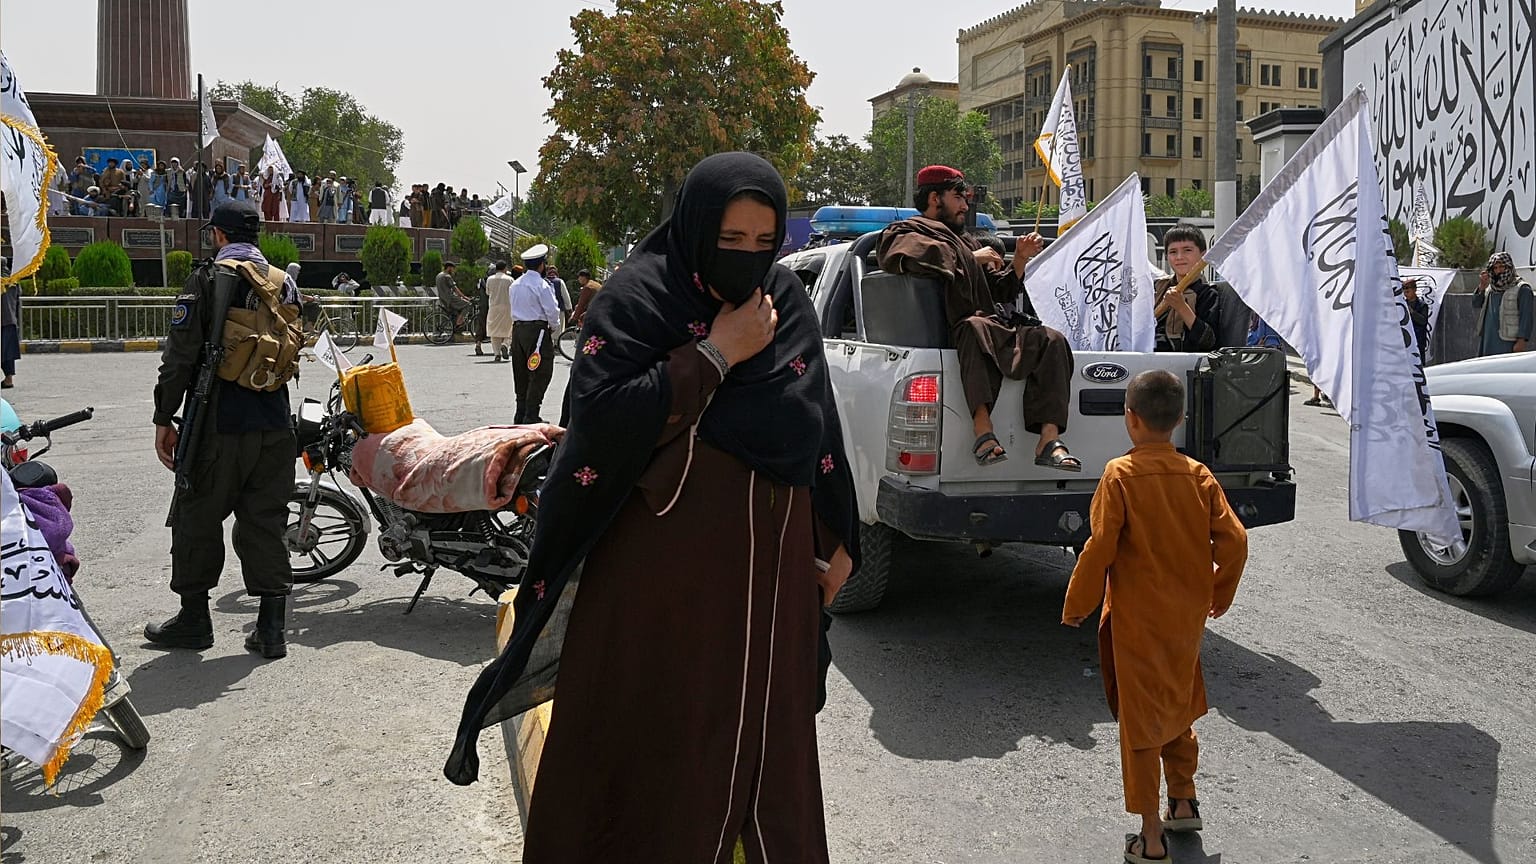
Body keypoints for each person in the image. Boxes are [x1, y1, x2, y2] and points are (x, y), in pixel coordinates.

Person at [446, 153, 861, 864]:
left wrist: (837, 535)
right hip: (663, 586)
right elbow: (601, 420)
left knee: (765, 757)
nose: (749, 260)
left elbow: (816, 422)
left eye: (766, 245)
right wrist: (714, 354)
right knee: (660, 755)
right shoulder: (639, 300)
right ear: (697, 226)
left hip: (771, 583)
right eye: (731, 242)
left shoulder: (785, 299)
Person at [1061, 369, 1248, 864]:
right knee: (1179, 702)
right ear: (1180, 419)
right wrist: (1220, 591)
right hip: (1186, 618)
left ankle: (1150, 837)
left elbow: (1100, 547)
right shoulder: (1199, 475)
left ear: (1130, 418)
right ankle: (1182, 802)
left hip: (1138, 618)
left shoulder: (1119, 475)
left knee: (1141, 720)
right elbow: (1236, 541)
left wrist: (1077, 603)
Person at [146, 200, 302, 660]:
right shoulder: (282, 282)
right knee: (265, 521)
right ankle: (272, 628)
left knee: (196, 517)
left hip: (218, 423)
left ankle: (194, 620)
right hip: (275, 422)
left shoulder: (208, 279)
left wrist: (163, 417)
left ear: (217, 235)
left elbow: (179, 358)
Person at [877, 164, 1079, 471]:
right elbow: (918, 257)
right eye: (958, 197)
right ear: (935, 198)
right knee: (974, 327)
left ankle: (1048, 440)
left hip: (994, 325)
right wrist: (972, 258)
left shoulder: (967, 240)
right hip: (960, 330)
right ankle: (983, 431)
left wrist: (1020, 258)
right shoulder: (904, 232)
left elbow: (1000, 290)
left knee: (1051, 340)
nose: (965, 205)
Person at [507, 245, 562, 423]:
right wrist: (554, 327)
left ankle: (520, 411)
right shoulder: (541, 285)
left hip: (518, 330)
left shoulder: (515, 285)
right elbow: (552, 311)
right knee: (541, 370)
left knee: (520, 370)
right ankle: (531, 413)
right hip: (537, 331)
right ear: (541, 265)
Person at [1154, 224, 1227, 353]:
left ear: (1203, 255)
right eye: (1173, 252)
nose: (1179, 257)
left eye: (1187, 250)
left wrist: (1181, 306)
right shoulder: (1157, 288)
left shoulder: (1208, 293)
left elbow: (1208, 341)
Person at [1473, 251, 1532, 356]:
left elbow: (1526, 317)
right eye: (1495, 268)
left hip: (1508, 341)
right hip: (1488, 340)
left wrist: (1521, 341)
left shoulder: (1522, 289)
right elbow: (1476, 304)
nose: (1498, 271)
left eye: (1501, 267)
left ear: (1508, 266)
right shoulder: (1491, 288)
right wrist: (1482, 286)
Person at [484, 260, 515, 362]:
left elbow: (488, 293)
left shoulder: (489, 279)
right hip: (507, 307)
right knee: (510, 329)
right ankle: (505, 344)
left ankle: (497, 354)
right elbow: (513, 294)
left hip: (494, 307)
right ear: (505, 268)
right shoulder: (510, 280)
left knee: (494, 332)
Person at [435, 261, 472, 327]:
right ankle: (459, 322)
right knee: (468, 304)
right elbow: (455, 288)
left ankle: (456, 326)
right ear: (449, 268)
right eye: (453, 268)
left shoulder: (438, 275)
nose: (453, 270)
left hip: (443, 299)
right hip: (450, 298)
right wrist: (464, 297)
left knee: (456, 312)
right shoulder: (447, 276)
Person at [2, 278, 20, 389]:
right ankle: (9, 379)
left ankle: (8, 379)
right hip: (10, 321)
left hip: (4, 320)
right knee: (8, 352)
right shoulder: (13, 282)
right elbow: (17, 299)